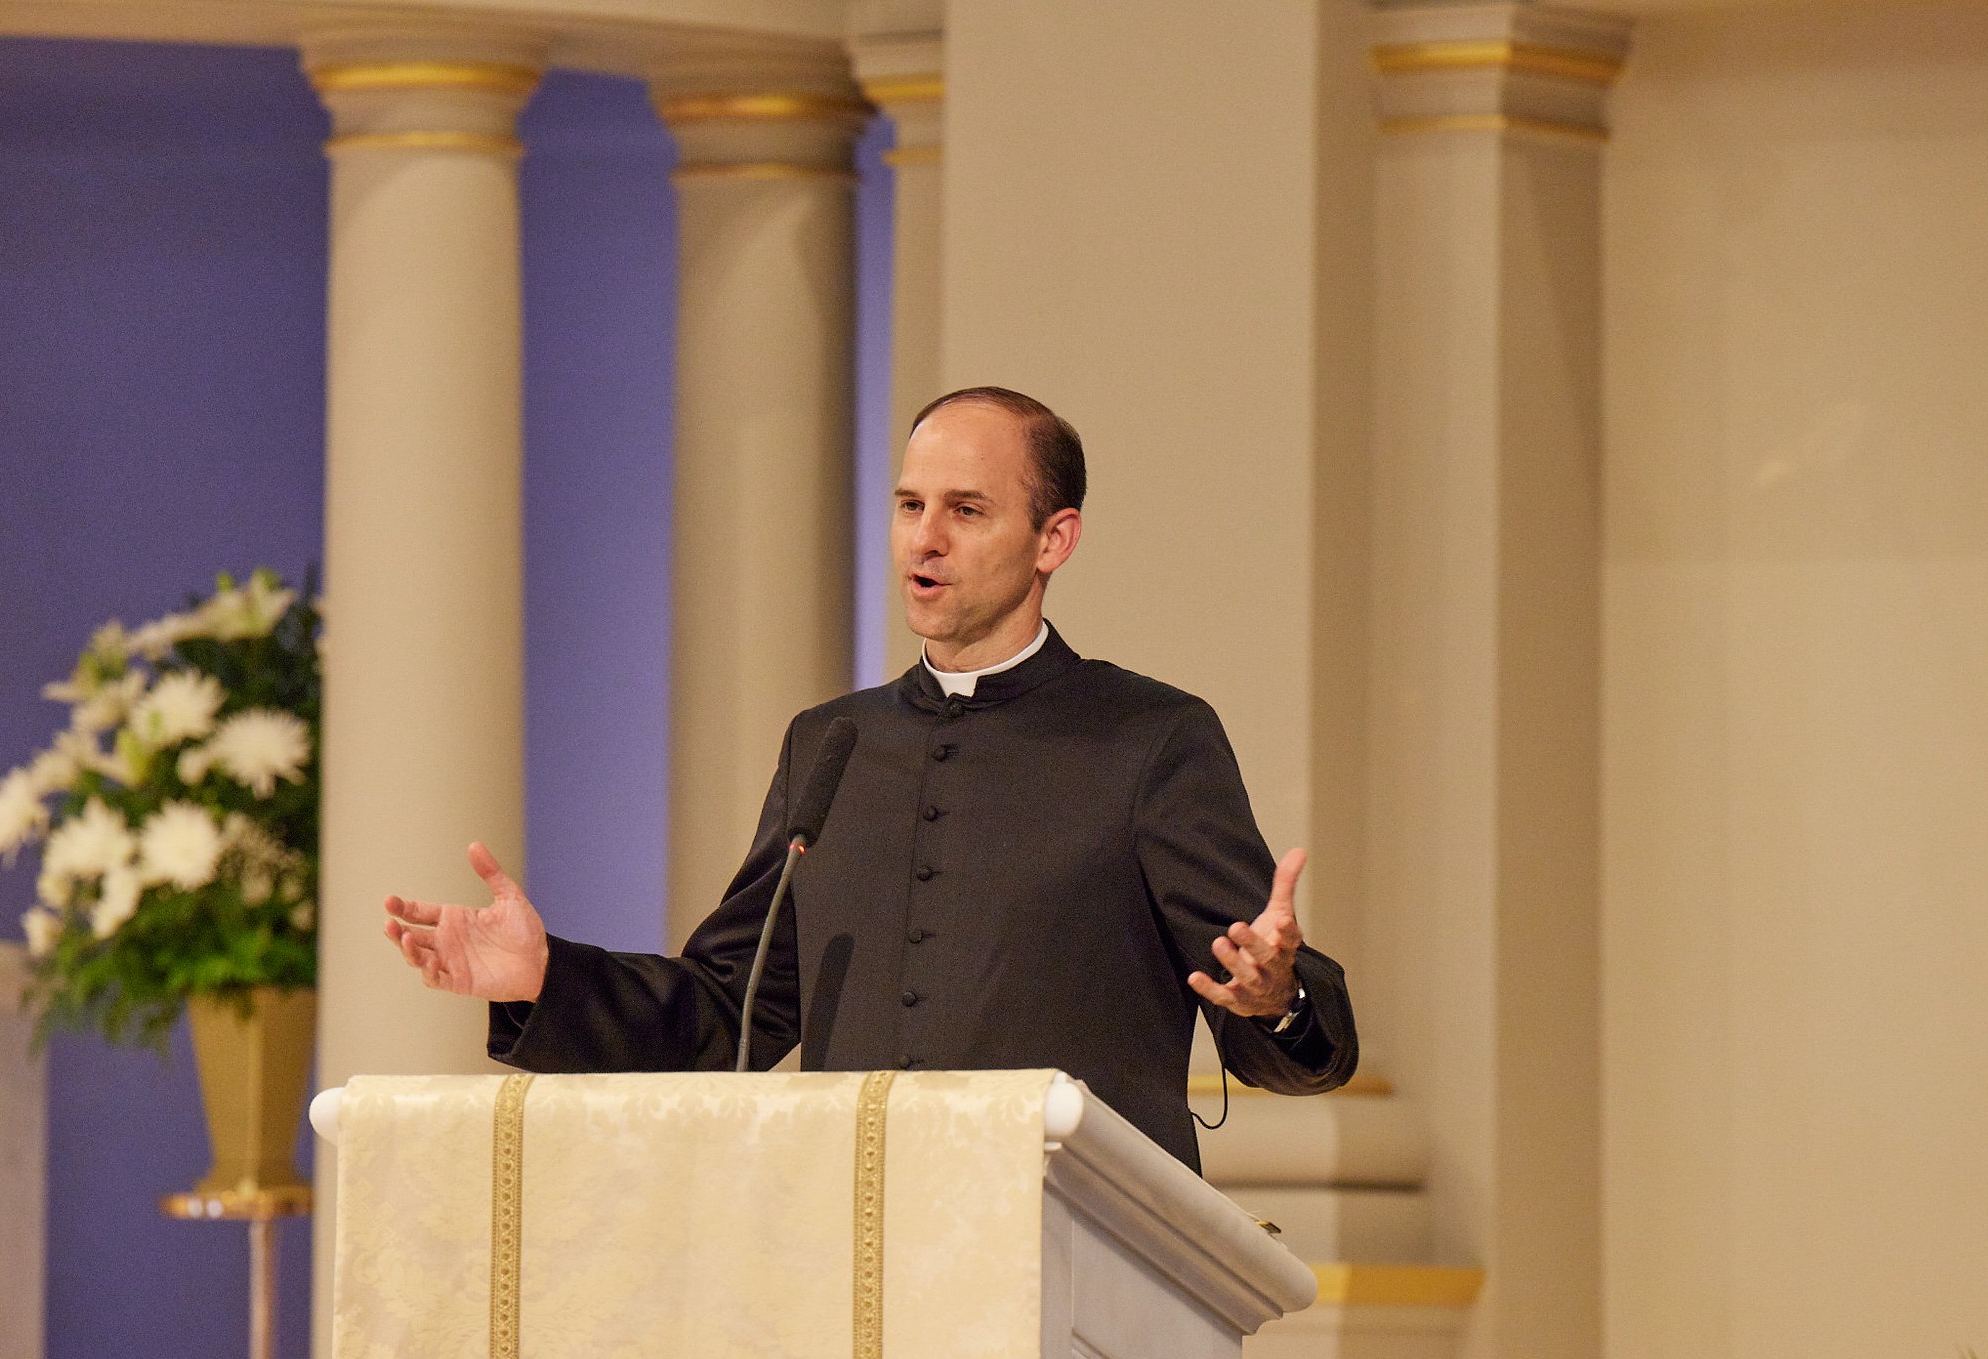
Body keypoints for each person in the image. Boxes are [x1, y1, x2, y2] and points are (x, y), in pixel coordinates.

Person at [383, 386, 1355, 1171]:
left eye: (965, 510)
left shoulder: (1151, 739)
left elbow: (1288, 1031)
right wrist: (545, 978)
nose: (923, 538)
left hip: (1080, 1251)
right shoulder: (832, 744)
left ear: (1052, 539)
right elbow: (732, 1009)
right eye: (908, 505)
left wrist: (1276, 997)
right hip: (857, 1248)